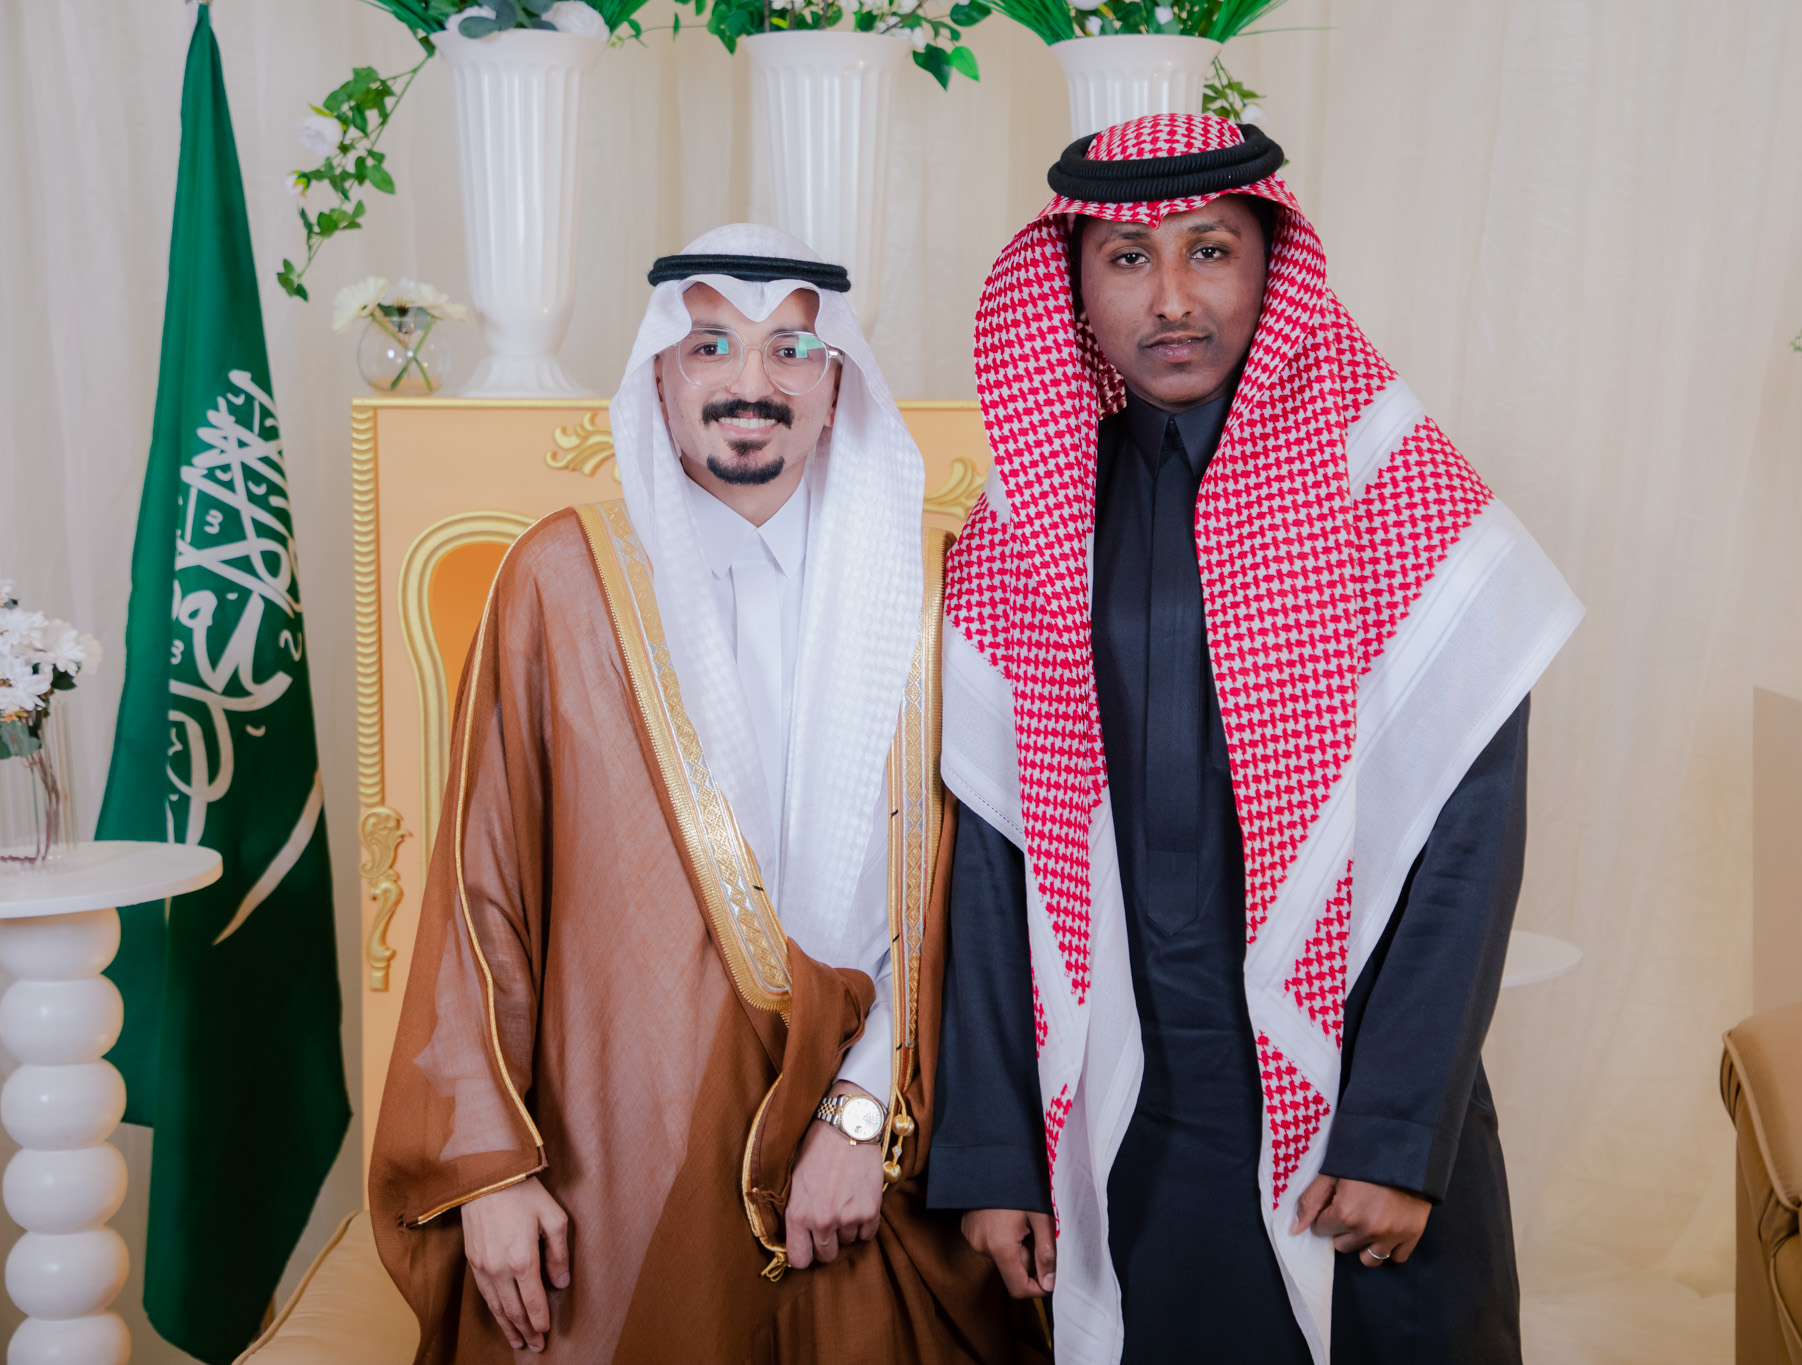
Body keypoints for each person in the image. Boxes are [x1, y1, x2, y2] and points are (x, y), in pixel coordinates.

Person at [928, 115, 1584, 1364]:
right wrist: (995, 1153)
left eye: (1210, 250)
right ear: (1072, 283)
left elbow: (1467, 844)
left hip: (1354, 1108)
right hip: (1133, 1113)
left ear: (1269, 264)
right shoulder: (1027, 524)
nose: (1171, 299)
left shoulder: (1392, 485)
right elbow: (991, 860)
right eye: (1128, 257)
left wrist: (1393, 1139)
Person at [370, 225, 1031, 1363]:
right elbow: (482, 890)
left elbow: (980, 895)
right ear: (660, 379)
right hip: (617, 1165)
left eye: (791, 351)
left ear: (837, 385)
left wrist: (861, 1113)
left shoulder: (941, 586)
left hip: (878, 1161)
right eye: (710, 346)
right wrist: (492, 1169)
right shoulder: (562, 579)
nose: (749, 384)